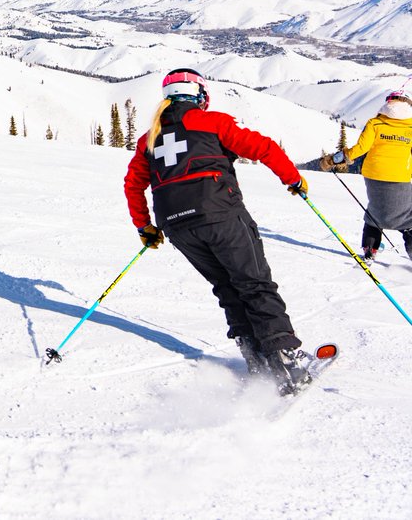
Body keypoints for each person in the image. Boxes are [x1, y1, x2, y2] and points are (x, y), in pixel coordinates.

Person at [124, 68, 312, 391]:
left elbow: (133, 185)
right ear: (199, 95)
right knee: (254, 282)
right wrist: (292, 178)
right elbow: (262, 147)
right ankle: (285, 358)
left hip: (177, 227)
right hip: (219, 214)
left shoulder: (149, 138)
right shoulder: (212, 122)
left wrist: (145, 226)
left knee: (227, 286)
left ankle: (257, 361)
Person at [320, 90, 412, 260]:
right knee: (408, 218)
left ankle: (370, 250)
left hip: (374, 175)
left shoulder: (375, 123)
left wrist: (333, 159)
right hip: (400, 177)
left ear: (387, 104)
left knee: (375, 212)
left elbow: (360, 149)